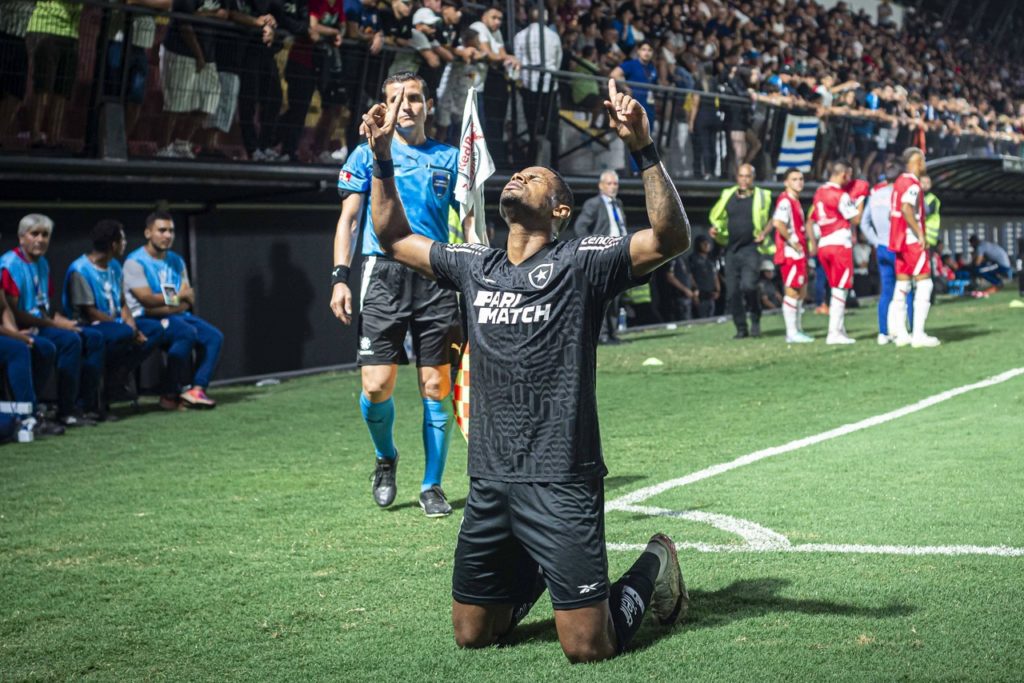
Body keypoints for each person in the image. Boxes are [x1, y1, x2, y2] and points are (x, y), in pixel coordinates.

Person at [359, 76, 689, 663]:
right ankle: (545, 571)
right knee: (472, 635)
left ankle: (655, 565)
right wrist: (381, 158)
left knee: (588, 647)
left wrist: (643, 149)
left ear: (560, 208)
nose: (519, 176)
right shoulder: (473, 264)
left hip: (561, 480)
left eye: (534, 177)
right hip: (489, 480)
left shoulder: (582, 262)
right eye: (517, 174)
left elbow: (670, 237)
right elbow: (392, 235)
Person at [330, 73, 465, 518]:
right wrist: (339, 277)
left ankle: (432, 486)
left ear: (428, 104)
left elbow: (468, 222)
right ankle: (386, 458)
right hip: (381, 274)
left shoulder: (449, 158)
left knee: (435, 386)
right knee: (377, 384)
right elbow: (350, 220)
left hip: (436, 273)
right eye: (394, 100)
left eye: (413, 98)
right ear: (383, 110)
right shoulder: (366, 153)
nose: (405, 106)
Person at [0, 214, 96, 426]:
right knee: (43, 347)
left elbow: (41, 306)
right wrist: (51, 325)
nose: (41, 240)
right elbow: (13, 311)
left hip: (36, 324)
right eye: (35, 234)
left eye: (45, 235)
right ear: (21, 237)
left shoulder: (42, 263)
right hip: (22, 326)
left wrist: (58, 321)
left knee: (72, 339)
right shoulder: (9, 265)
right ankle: (29, 413)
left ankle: (66, 410)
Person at [62, 220, 165, 414]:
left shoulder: (115, 266)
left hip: (117, 326)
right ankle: (97, 395)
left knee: (155, 330)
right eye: (123, 239)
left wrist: (131, 324)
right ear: (113, 244)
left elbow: (123, 303)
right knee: (120, 334)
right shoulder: (80, 269)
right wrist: (126, 328)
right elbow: (90, 312)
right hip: (89, 326)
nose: (125, 243)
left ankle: (118, 376)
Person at [124, 212, 224, 407]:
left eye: (171, 231)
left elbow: (189, 300)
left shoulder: (176, 261)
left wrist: (168, 303)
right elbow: (146, 300)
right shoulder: (134, 261)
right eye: (162, 230)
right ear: (148, 233)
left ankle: (197, 390)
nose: (168, 235)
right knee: (186, 332)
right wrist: (175, 299)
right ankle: (169, 394)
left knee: (214, 336)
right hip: (145, 319)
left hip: (174, 315)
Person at [708, 164, 772, 339]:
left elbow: (773, 218)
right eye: (741, 176)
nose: (744, 180)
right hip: (731, 249)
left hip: (751, 248)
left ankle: (755, 316)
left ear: (753, 177)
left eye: (748, 176)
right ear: (737, 177)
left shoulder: (763, 195)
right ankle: (741, 328)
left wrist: (764, 233)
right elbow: (719, 218)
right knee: (733, 292)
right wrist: (715, 229)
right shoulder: (728, 195)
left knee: (749, 286)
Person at [888, 147, 940, 348]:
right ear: (916, 162)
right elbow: (907, 208)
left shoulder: (898, 182)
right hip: (911, 241)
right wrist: (919, 233)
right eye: (922, 160)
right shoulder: (912, 183)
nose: (924, 164)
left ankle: (901, 334)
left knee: (902, 286)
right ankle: (918, 334)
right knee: (924, 284)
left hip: (899, 240)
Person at [573, 169, 627, 343]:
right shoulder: (593, 203)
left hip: (619, 253)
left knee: (616, 295)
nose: (613, 187)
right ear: (601, 186)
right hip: (603, 254)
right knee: (601, 295)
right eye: (609, 183)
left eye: (615, 183)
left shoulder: (618, 203)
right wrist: (592, 248)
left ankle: (611, 333)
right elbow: (580, 227)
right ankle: (602, 335)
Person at [809, 159, 859, 345]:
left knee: (834, 286)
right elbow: (855, 219)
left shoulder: (819, 192)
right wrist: (859, 199)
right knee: (841, 288)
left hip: (824, 243)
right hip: (839, 244)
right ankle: (834, 332)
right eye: (849, 175)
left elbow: (813, 218)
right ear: (843, 174)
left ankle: (840, 329)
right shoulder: (840, 195)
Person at [861, 162, 911, 344]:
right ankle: (910, 329)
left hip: (881, 246)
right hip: (898, 247)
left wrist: (875, 241)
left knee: (886, 291)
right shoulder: (898, 195)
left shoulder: (875, 196)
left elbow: (864, 223)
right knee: (907, 289)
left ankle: (883, 332)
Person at [512, 6, 561, 166]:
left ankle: (530, 162)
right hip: (549, 85)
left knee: (531, 124)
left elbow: (517, 60)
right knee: (551, 126)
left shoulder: (520, 35)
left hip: (528, 85)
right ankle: (554, 163)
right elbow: (557, 59)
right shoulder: (553, 36)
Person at [770, 168, 813, 343]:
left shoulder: (794, 201)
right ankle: (791, 332)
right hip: (791, 254)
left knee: (801, 291)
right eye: (794, 179)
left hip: (799, 252)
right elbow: (778, 223)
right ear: (786, 182)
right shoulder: (785, 201)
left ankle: (797, 329)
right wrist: (792, 241)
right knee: (792, 291)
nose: (799, 182)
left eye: (801, 179)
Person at [687, 235, 719, 319]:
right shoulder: (693, 258)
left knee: (711, 317)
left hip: (711, 293)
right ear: (698, 244)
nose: (706, 245)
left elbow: (715, 274)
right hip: (700, 294)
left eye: (708, 243)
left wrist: (718, 289)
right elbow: (690, 275)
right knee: (701, 318)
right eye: (703, 243)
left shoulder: (711, 258)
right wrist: (695, 290)